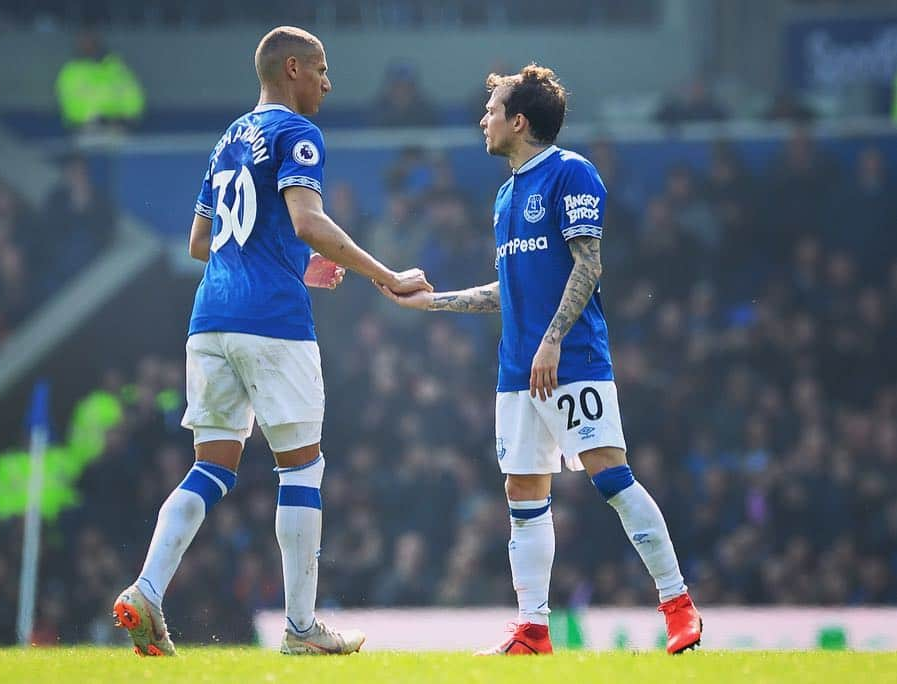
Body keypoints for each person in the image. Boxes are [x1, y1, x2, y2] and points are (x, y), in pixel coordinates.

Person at [113, 26, 432, 657]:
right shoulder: (297, 133)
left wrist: (295, 262)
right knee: (302, 467)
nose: (327, 83)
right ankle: (301, 627)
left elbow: (201, 244)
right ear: (293, 69)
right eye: (321, 70)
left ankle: (147, 591)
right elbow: (307, 220)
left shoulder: (227, 139)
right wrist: (386, 275)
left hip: (210, 318)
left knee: (211, 467)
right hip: (272, 321)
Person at [378, 64, 702, 655]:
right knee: (523, 494)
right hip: (515, 370)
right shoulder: (505, 195)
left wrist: (553, 339)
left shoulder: (570, 173)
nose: (484, 119)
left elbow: (588, 264)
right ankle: (532, 629)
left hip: (571, 357)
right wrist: (432, 303)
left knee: (612, 477)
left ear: (519, 121)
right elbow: (509, 288)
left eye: (492, 110)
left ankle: (678, 605)